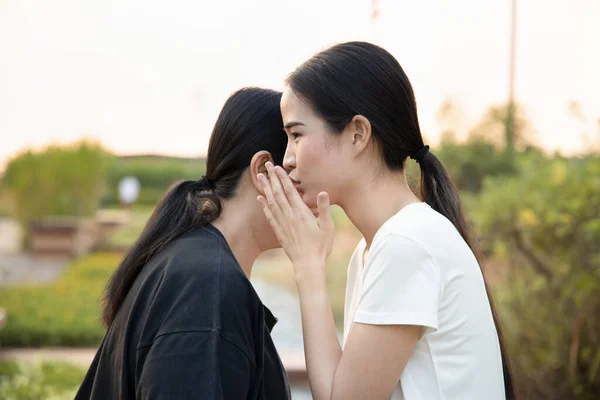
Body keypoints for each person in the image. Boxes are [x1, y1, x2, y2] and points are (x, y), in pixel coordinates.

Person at [257, 41, 516, 399]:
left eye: (297, 134)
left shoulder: (406, 244)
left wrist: (308, 267)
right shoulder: (378, 246)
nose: (287, 159)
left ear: (358, 134)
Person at [76, 87, 291, 399]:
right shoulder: (208, 286)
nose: (320, 194)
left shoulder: (193, 262)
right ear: (263, 171)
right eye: (299, 168)